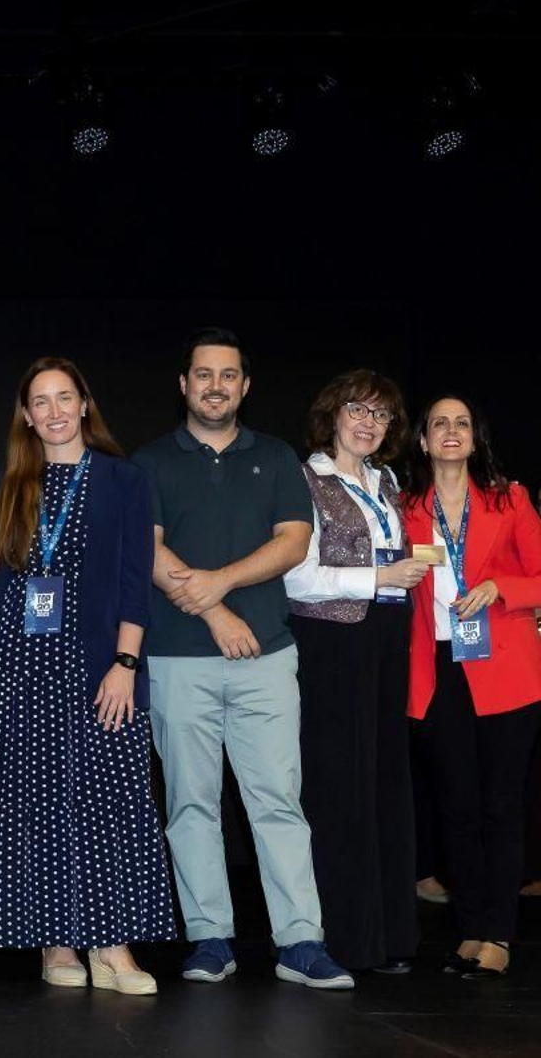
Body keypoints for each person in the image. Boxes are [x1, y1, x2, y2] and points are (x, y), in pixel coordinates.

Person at [131, 327, 352, 989]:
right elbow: (147, 551)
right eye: (203, 374)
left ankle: (300, 941)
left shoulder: (277, 456)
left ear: (245, 386)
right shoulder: (150, 461)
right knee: (190, 805)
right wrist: (215, 612)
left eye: (228, 375)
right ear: (184, 384)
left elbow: (293, 542)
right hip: (177, 659)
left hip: (266, 659)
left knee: (278, 802)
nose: (215, 386)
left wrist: (220, 583)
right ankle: (210, 939)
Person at [0, 358, 175, 995]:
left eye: (65, 397)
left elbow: (135, 581)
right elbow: (7, 588)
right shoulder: (14, 483)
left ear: (85, 404)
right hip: (26, 671)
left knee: (109, 803)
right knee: (38, 804)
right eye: (41, 401)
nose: (55, 411)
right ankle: (55, 943)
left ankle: (113, 948)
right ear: (26, 415)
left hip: (101, 667)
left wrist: (125, 664)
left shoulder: (124, 479)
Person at [283, 371, 425, 973]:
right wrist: (378, 578)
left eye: (381, 415)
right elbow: (296, 577)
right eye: (357, 410)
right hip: (332, 645)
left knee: (385, 783)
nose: (369, 423)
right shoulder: (306, 480)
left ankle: (387, 934)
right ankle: (343, 937)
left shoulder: (387, 482)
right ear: (332, 414)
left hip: (386, 642)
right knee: (341, 788)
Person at [400, 395, 541, 979]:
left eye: (462, 423)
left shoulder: (510, 499)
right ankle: (471, 929)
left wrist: (500, 587)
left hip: (505, 669)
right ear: (424, 440)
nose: (451, 431)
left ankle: (499, 934)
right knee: (455, 809)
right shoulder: (404, 507)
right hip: (436, 671)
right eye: (440, 423)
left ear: (475, 439)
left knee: (500, 807)